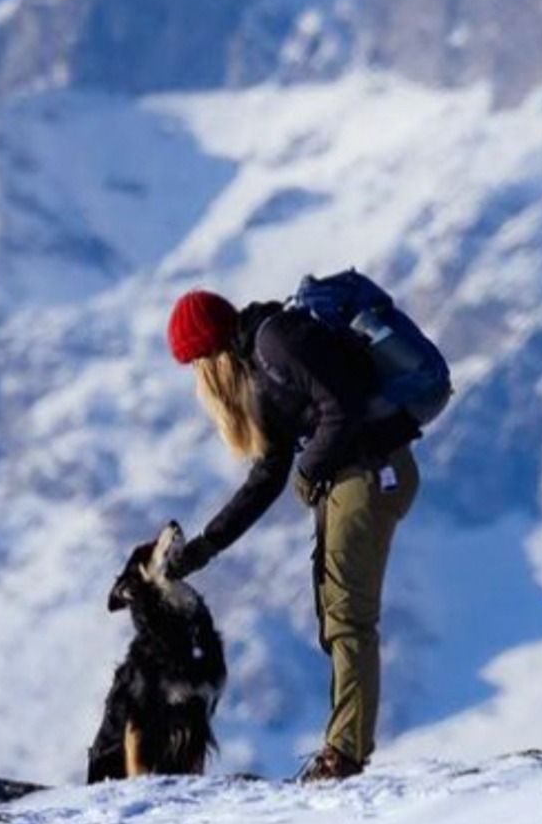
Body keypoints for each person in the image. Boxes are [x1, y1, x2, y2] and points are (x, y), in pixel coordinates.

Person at [164, 286, 420, 781]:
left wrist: (309, 471)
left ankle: (344, 757)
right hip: (353, 477)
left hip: (370, 472)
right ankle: (341, 749)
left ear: (208, 355)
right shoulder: (261, 373)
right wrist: (204, 548)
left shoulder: (274, 343)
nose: (199, 382)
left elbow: (341, 404)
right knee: (335, 615)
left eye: (196, 366)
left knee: (348, 618)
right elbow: (265, 476)